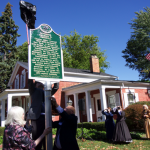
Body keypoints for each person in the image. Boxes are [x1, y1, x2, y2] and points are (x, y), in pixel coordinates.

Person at [27, 79, 46, 150]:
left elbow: (55, 88)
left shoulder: (47, 92)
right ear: (36, 85)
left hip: (45, 118)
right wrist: (31, 72)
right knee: (37, 136)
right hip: (36, 117)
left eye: (42, 82)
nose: (40, 83)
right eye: (38, 83)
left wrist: (57, 81)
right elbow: (30, 82)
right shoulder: (33, 90)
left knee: (46, 138)